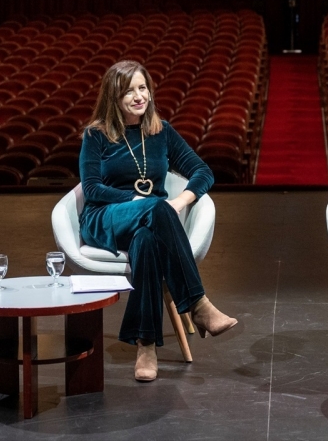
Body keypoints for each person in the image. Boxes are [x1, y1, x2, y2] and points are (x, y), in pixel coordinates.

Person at [78, 60, 237, 383]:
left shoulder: (161, 131)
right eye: (129, 91)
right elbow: (92, 188)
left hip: (150, 222)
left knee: (148, 243)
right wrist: (138, 202)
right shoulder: (96, 135)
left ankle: (146, 345)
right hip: (106, 217)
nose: (139, 96)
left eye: (143, 88)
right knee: (156, 208)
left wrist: (179, 201)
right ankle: (198, 304)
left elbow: (203, 172)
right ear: (114, 96)